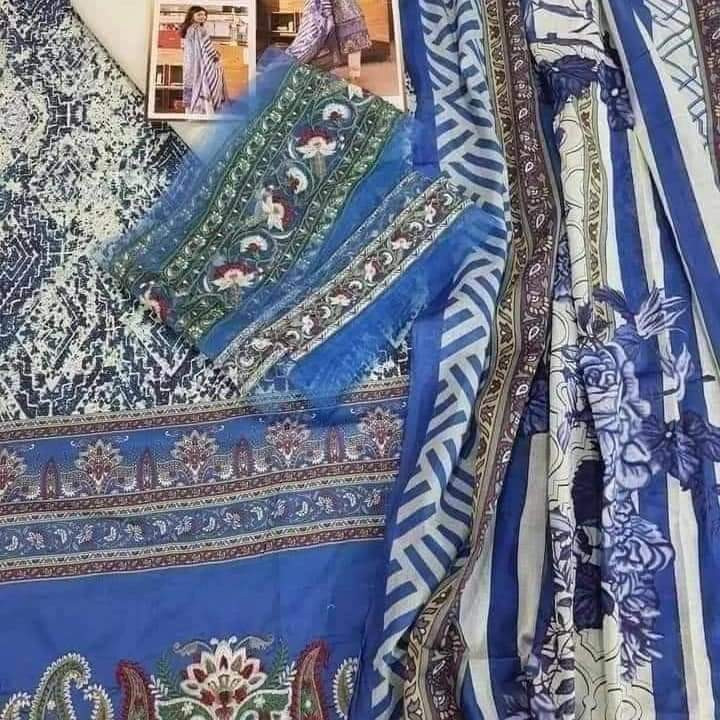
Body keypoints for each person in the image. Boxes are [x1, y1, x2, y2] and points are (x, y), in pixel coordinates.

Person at [287, 0, 371, 80]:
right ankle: (354, 77)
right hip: (347, 14)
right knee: (353, 45)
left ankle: (354, 77)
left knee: (353, 45)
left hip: (346, 15)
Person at [180, 5, 227, 115]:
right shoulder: (200, 30)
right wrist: (216, 56)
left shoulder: (188, 30)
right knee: (212, 79)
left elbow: (185, 48)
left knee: (191, 84)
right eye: (199, 14)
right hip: (200, 64)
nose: (203, 17)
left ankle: (192, 110)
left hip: (189, 63)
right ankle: (206, 109)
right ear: (192, 15)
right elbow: (208, 49)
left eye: (205, 15)